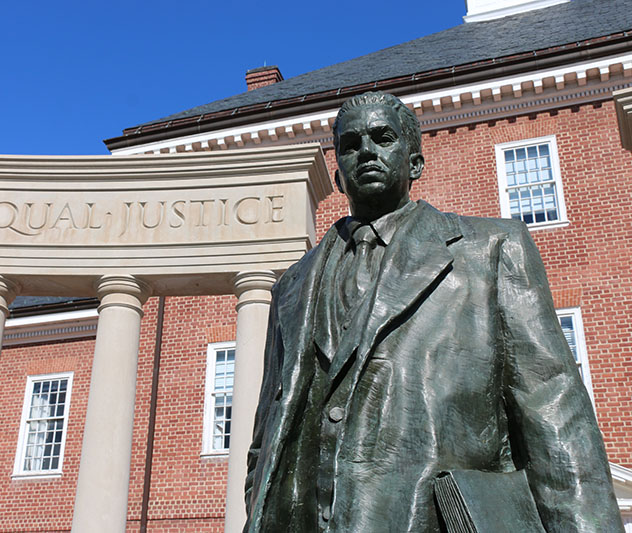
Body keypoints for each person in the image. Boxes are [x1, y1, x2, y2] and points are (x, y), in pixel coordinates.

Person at [244, 92, 622, 532]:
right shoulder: (292, 285)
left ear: (416, 163)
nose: (366, 150)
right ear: (338, 176)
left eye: (383, 138)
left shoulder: (491, 251)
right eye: (351, 144)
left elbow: (555, 417)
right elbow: (264, 439)